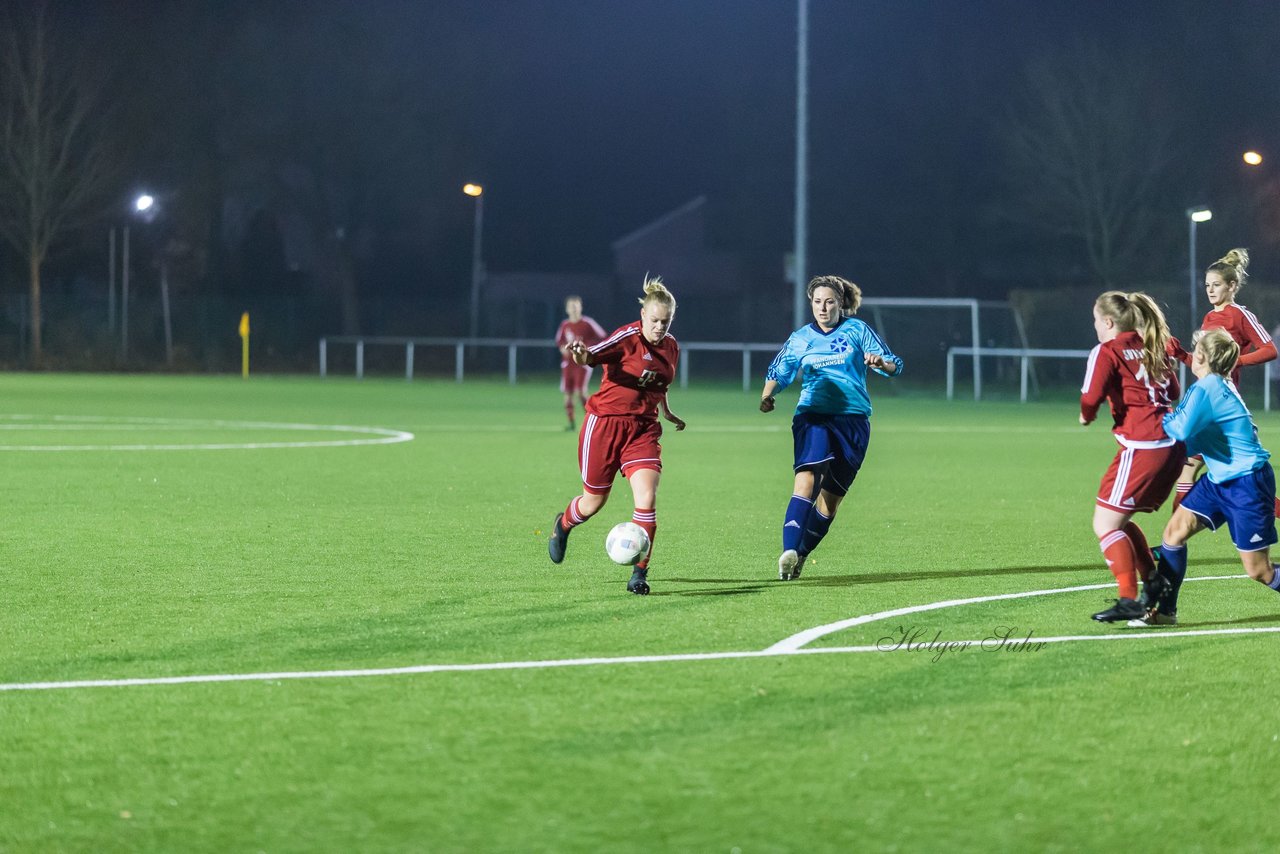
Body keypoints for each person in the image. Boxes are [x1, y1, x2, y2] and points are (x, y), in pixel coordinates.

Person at [546, 276, 686, 595]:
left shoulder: (672, 347)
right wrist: (580, 353)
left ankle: (639, 573)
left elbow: (658, 384)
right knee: (593, 502)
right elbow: (591, 356)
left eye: (666, 321)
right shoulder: (627, 338)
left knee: (647, 500)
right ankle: (563, 524)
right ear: (643, 317)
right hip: (605, 425)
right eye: (654, 320)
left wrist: (667, 411)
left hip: (643, 429)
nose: (660, 327)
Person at [1133, 329, 1280, 626]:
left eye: (1195, 348)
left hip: (1247, 482)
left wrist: (1150, 412)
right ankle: (1165, 612)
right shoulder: (1210, 386)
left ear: (1202, 356)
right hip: (1220, 480)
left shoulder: (1209, 387)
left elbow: (1180, 432)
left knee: (1259, 571)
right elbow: (1194, 438)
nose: (1191, 351)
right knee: (1174, 535)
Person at [759, 275, 902, 581]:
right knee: (806, 481)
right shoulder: (801, 338)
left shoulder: (857, 330)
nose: (823, 308)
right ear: (810, 303)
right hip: (814, 416)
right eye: (817, 302)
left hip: (853, 421)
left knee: (830, 500)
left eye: (829, 302)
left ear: (840, 303)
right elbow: (780, 371)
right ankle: (787, 551)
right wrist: (768, 394)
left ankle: (800, 555)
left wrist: (879, 363)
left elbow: (894, 364)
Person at [1080, 291, 1185, 622]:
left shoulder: (1107, 350)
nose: (1095, 326)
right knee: (1121, 521)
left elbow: (1090, 397)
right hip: (1173, 446)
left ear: (1108, 322)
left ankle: (1129, 599)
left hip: (1144, 447)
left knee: (1104, 524)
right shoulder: (1155, 344)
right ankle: (1154, 584)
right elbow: (1174, 394)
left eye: (1096, 320)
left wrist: (1086, 416)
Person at [1166, 248, 1277, 512]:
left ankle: (1173, 544)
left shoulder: (1240, 314)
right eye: (1207, 285)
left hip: (1220, 402)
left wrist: (1235, 361)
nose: (1210, 290)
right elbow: (1203, 363)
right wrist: (1181, 353)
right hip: (1206, 397)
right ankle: (1173, 543)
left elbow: (1270, 349)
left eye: (1216, 285)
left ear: (1233, 285)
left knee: (1198, 470)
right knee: (1197, 472)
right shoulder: (1209, 317)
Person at [554, 296, 606, 431]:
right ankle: (571, 423)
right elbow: (559, 341)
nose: (574, 308)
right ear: (567, 309)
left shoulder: (587, 323)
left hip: (582, 363)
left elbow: (603, 336)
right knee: (568, 394)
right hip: (568, 364)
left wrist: (589, 349)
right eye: (571, 306)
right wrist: (562, 348)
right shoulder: (565, 325)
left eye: (576, 305)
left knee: (580, 392)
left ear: (581, 307)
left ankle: (592, 421)